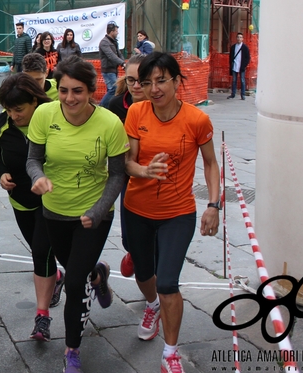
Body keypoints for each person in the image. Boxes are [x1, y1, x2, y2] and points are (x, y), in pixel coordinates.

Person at [26, 57, 129, 373]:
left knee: (72, 281)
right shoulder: (44, 114)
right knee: (76, 269)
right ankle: (98, 276)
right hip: (54, 212)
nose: (70, 98)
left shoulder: (110, 123)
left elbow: (117, 175)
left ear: (91, 90)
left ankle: (72, 349)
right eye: (65, 91)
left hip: (92, 215)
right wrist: (37, 178)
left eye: (78, 91)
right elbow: (33, 159)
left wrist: (98, 211)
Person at [123, 52, 220, 373]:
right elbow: (127, 162)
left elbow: (210, 163)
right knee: (143, 273)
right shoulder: (136, 112)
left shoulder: (196, 120)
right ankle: (152, 306)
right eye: (147, 82)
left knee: (167, 282)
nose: (154, 88)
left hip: (178, 213)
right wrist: (145, 170)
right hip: (136, 209)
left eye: (161, 80)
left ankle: (170, 351)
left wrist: (213, 205)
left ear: (177, 81)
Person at [0, 73, 65, 342]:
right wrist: (1, 173)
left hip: (52, 199)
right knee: (42, 250)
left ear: (35, 101)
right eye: (8, 109)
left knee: (42, 252)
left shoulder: (54, 118)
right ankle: (88, 272)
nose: (13, 115)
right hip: (20, 200)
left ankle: (42, 317)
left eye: (19, 109)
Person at [106, 54, 148, 279]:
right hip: (126, 179)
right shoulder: (116, 104)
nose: (136, 86)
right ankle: (133, 252)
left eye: (142, 80)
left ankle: (153, 279)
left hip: (157, 181)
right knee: (128, 236)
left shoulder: (162, 104)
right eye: (131, 80)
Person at [99, 21, 125, 108]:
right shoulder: (104, 42)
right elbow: (111, 55)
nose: (117, 33)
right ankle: (101, 106)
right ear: (112, 31)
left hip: (113, 69)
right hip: (108, 70)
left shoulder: (114, 42)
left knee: (110, 90)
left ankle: (108, 108)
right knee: (114, 89)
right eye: (116, 31)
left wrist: (123, 63)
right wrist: (122, 63)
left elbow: (118, 54)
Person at [228, 32, 250, 100]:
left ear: (242, 39)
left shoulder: (245, 48)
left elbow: (248, 58)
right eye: (238, 37)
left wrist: (244, 65)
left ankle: (242, 94)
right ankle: (233, 94)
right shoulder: (233, 47)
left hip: (242, 67)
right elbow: (231, 57)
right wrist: (231, 65)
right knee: (234, 80)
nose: (239, 38)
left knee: (242, 80)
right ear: (236, 38)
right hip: (235, 66)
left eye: (240, 37)